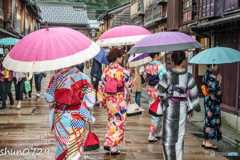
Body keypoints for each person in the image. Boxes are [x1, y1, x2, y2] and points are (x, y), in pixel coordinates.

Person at [44, 66, 96, 160]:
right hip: (78, 115)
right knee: (75, 146)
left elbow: (49, 97)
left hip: (60, 117)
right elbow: (90, 99)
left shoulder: (56, 77)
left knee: (62, 146)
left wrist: (60, 101)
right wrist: (82, 104)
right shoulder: (83, 77)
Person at [157, 51, 201, 160]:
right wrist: (192, 108)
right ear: (183, 61)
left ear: (173, 60)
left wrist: (165, 102)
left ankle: (168, 157)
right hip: (182, 107)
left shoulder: (168, 75)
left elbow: (160, 91)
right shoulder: (188, 76)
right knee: (179, 136)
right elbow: (193, 92)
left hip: (169, 107)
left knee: (168, 136)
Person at [97, 48, 133, 155]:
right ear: (117, 58)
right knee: (120, 123)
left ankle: (113, 148)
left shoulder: (106, 70)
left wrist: (103, 100)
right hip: (119, 100)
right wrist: (128, 76)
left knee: (112, 121)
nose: (122, 58)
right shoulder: (123, 71)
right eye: (121, 56)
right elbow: (129, 86)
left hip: (109, 100)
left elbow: (101, 86)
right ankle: (109, 142)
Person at [144, 52, 166, 142]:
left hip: (150, 90)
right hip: (157, 91)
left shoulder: (148, 66)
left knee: (155, 111)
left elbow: (146, 78)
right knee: (157, 113)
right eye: (159, 54)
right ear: (156, 55)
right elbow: (164, 80)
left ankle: (158, 131)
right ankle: (152, 134)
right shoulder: (160, 67)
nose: (161, 55)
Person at [202, 64, 222, 149]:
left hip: (207, 101)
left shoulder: (206, 75)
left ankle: (205, 140)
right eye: (216, 65)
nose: (217, 66)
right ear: (212, 65)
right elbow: (217, 92)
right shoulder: (214, 77)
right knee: (211, 120)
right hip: (213, 102)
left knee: (207, 119)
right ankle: (208, 142)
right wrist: (220, 82)